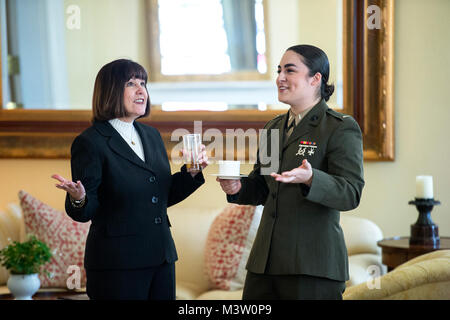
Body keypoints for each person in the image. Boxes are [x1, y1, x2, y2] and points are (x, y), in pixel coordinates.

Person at [52, 59, 208, 300]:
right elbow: (85, 211)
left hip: (162, 257)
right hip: (117, 264)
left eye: (143, 83)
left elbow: (160, 196)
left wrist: (192, 172)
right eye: (130, 83)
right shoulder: (90, 142)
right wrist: (79, 198)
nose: (141, 90)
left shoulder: (152, 135)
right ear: (111, 91)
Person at [217, 44, 364, 300]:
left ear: (315, 79)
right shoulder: (273, 129)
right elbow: (264, 187)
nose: (280, 78)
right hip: (264, 264)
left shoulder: (339, 127)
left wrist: (311, 178)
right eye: (278, 70)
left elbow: (350, 193)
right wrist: (239, 188)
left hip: (312, 266)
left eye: (290, 70)